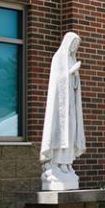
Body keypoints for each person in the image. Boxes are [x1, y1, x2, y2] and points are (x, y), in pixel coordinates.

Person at [40, 31, 86, 190]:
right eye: (73, 44)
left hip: (70, 104)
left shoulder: (72, 58)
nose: (75, 48)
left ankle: (66, 163)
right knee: (61, 132)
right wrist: (70, 72)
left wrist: (75, 77)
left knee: (71, 131)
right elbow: (57, 80)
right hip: (60, 105)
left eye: (77, 45)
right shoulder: (58, 58)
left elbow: (74, 85)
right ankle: (57, 163)